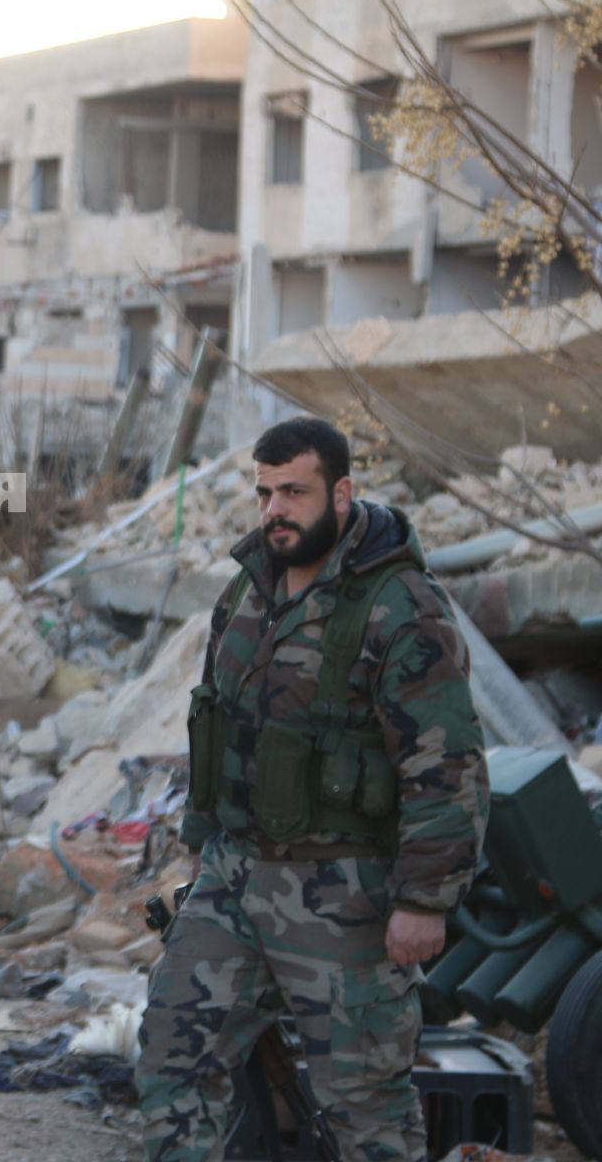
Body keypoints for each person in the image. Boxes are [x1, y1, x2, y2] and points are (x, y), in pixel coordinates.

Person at [136, 417, 489, 1161]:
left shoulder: (401, 606)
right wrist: (200, 850)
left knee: (367, 1109)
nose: (275, 510)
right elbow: (217, 728)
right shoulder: (247, 590)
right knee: (173, 1055)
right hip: (233, 881)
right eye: (265, 492)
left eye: (294, 491)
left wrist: (426, 901)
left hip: (343, 894)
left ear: (342, 491)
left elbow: (446, 763)